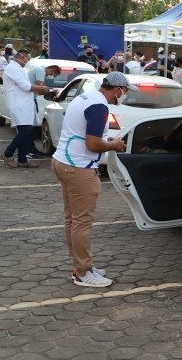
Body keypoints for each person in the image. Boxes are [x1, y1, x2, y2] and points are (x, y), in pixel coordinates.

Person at [51, 72, 132, 288]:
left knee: (72, 220)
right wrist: (113, 145)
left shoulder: (86, 97)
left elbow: (86, 135)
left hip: (64, 161)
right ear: (117, 90)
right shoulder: (99, 107)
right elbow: (93, 145)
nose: (124, 96)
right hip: (79, 167)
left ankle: (81, 265)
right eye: (124, 92)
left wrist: (106, 141)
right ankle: (83, 272)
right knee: (81, 222)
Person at [1, 49, 51, 168]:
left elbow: (26, 86)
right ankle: (8, 153)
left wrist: (39, 90)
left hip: (25, 104)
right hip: (18, 104)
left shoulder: (19, 68)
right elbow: (25, 86)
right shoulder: (12, 68)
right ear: (21, 56)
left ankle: (22, 160)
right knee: (25, 131)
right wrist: (41, 89)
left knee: (27, 132)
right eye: (27, 57)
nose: (28, 60)